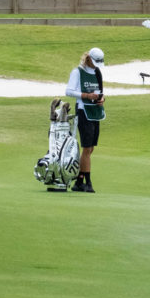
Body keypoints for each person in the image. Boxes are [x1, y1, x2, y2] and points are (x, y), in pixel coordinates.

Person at [65, 47, 105, 193]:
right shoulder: (77, 72)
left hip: (95, 111)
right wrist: (86, 96)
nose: (96, 65)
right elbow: (68, 91)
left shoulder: (97, 72)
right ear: (88, 58)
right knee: (87, 148)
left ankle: (79, 181)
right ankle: (87, 183)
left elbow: (101, 91)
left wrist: (102, 99)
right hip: (83, 111)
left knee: (91, 148)